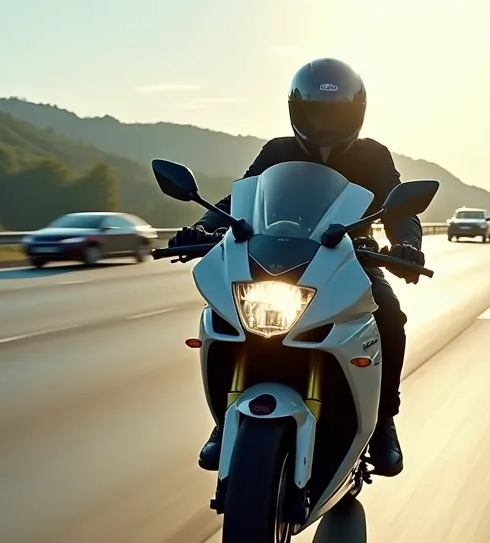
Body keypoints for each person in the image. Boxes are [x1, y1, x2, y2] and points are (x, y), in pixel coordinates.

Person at [166, 57, 424, 478]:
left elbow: (397, 207)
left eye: (335, 113)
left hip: (348, 262)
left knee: (390, 318)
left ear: (355, 114)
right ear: (297, 111)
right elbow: (238, 201)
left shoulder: (372, 155)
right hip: (272, 259)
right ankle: (224, 419)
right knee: (222, 316)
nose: (324, 124)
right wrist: (202, 227)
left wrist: (407, 244)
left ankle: (383, 423)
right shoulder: (277, 150)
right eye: (315, 113)